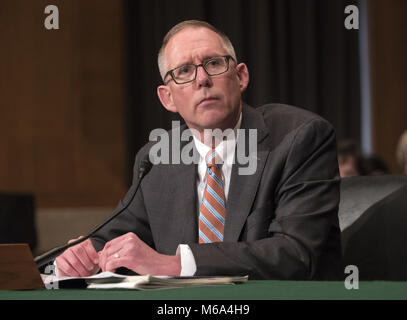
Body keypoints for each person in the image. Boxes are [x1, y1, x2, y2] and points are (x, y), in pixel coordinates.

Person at [55, 20, 342, 280]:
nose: (202, 79)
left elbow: (296, 253)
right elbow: (113, 237)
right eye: (183, 71)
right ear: (167, 98)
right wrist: (84, 256)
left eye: (214, 64)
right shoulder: (157, 158)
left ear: (241, 77)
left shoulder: (299, 138)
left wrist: (176, 264)